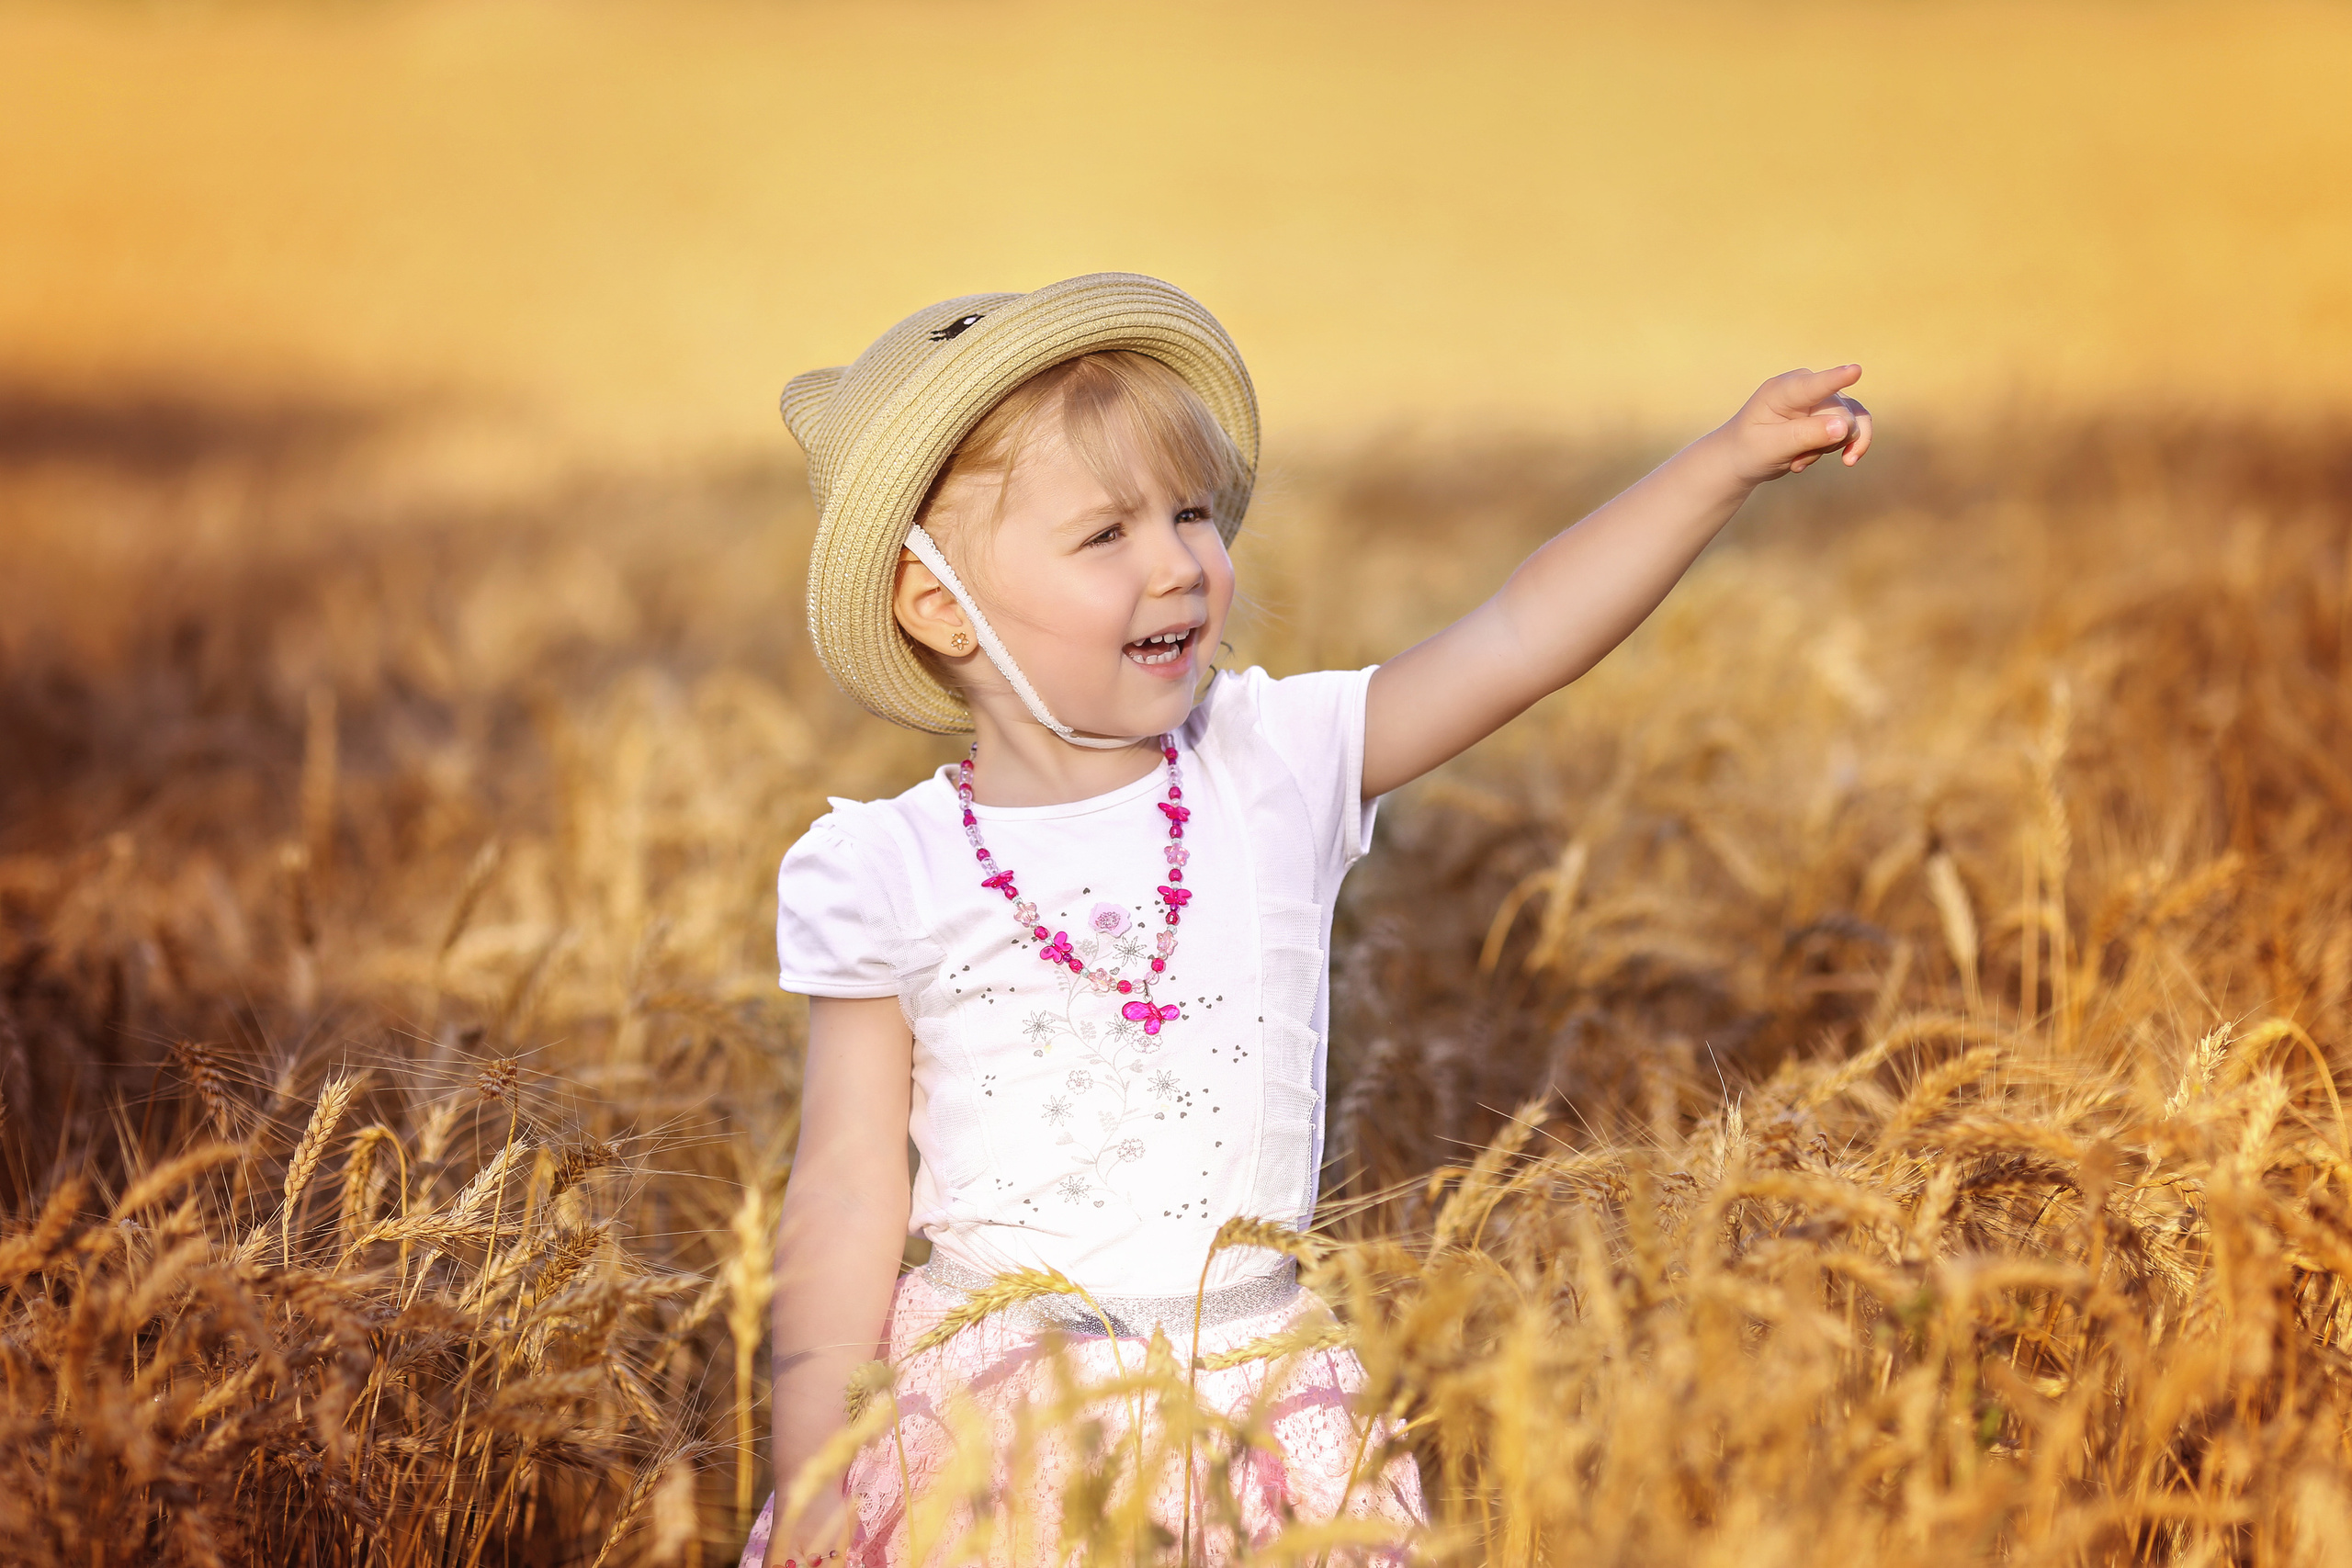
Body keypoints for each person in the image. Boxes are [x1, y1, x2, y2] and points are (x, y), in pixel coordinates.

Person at [744, 274, 1871, 1567]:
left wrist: (1718, 467)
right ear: (940, 605)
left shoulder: (1271, 763)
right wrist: (819, 1470)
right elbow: (842, 1188)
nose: (1178, 563)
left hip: (1261, 1411)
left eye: (1192, 515)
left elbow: (1522, 631)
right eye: (1104, 535)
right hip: (992, 1431)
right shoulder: (883, 865)